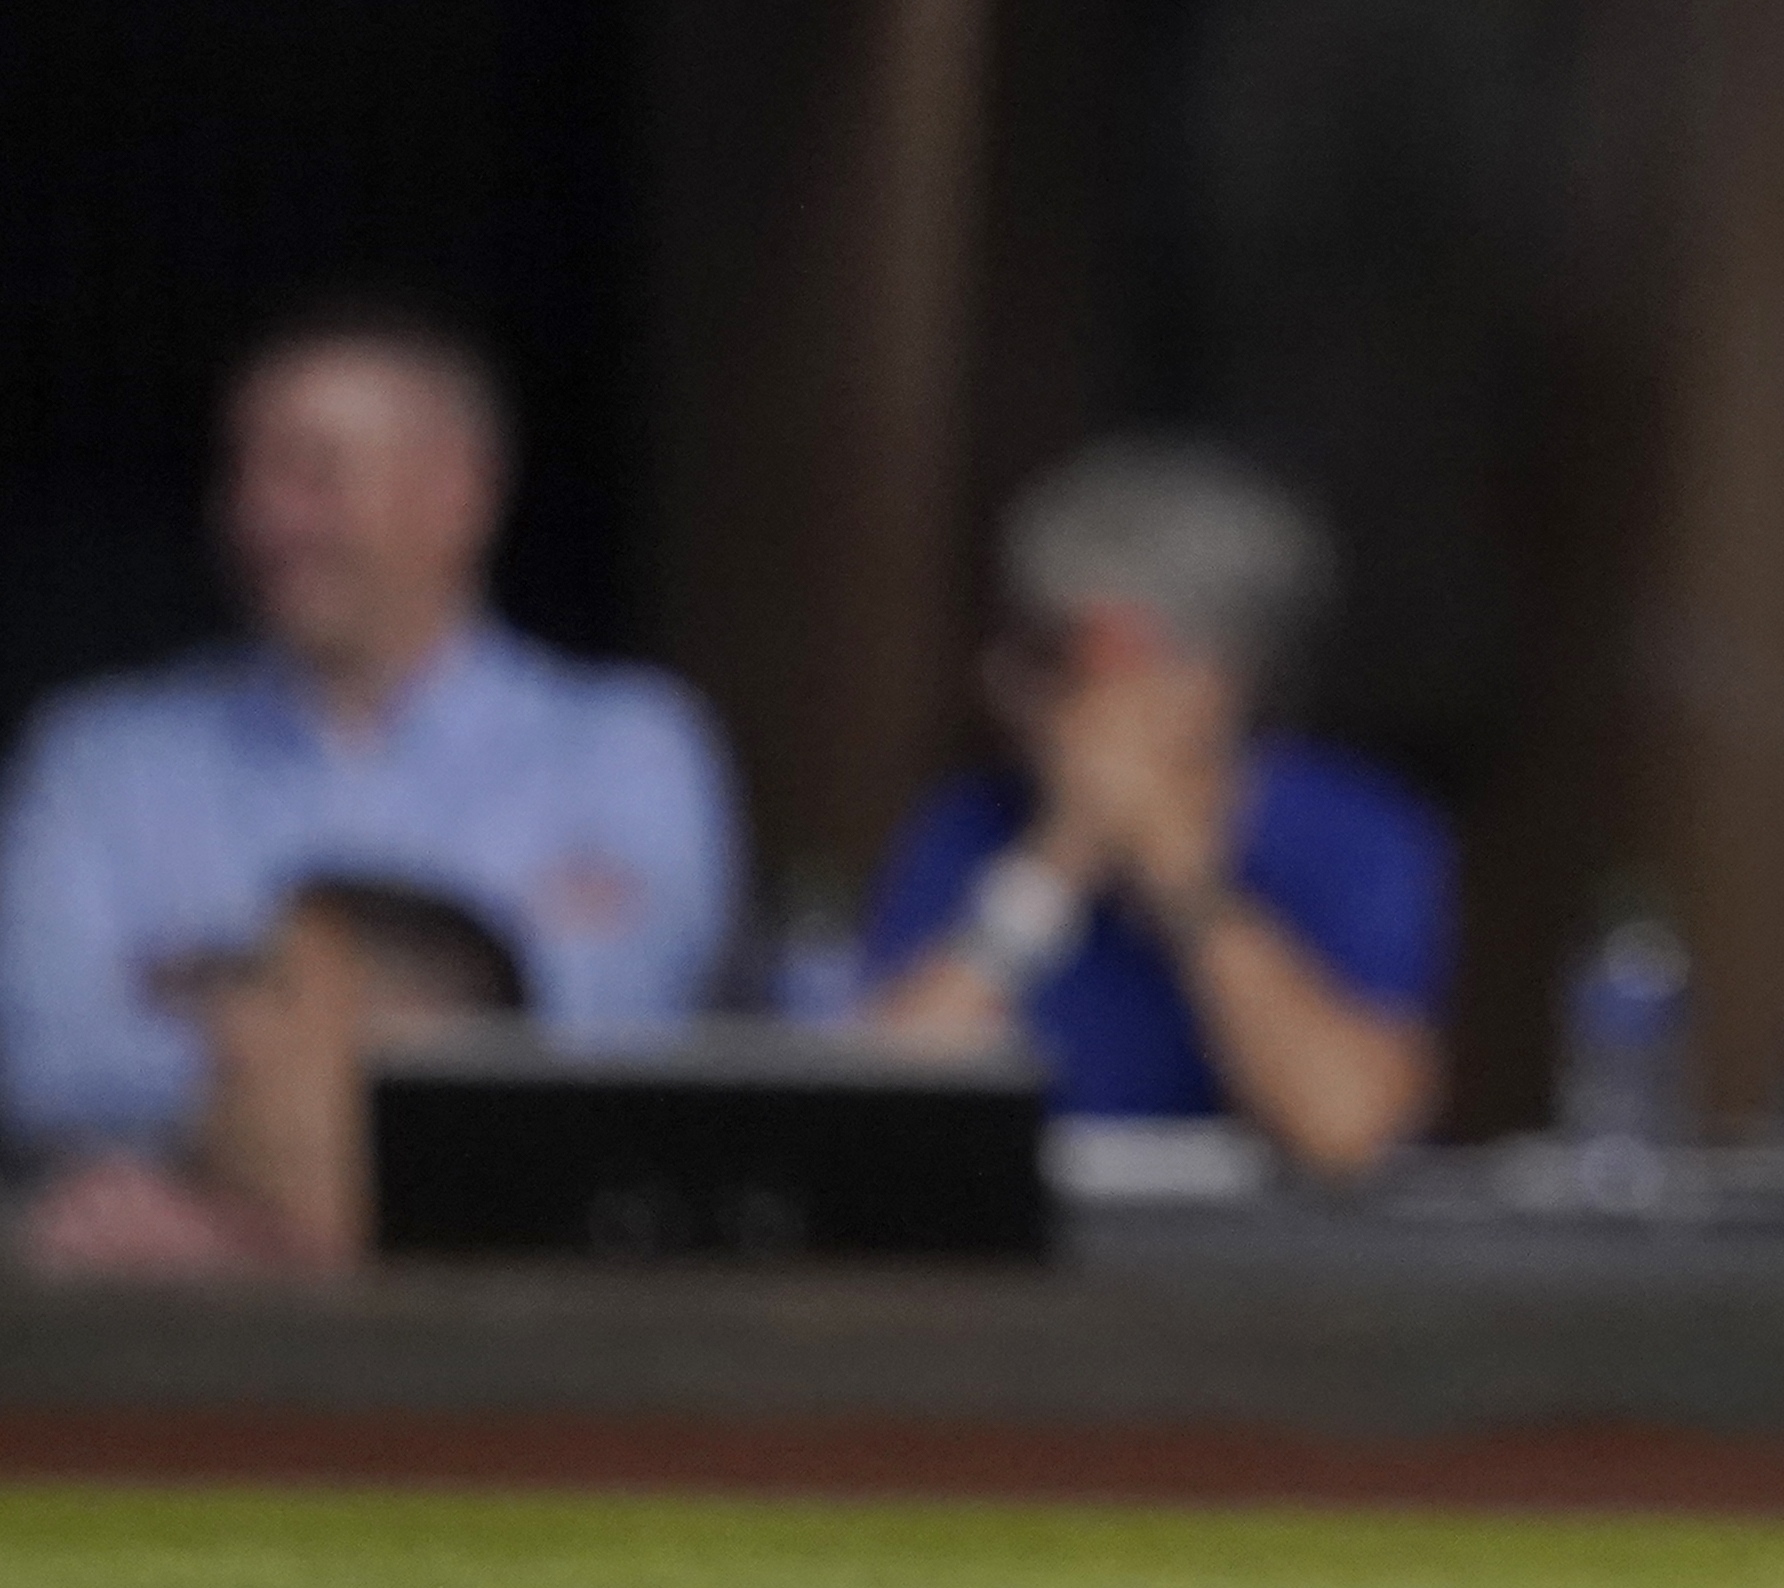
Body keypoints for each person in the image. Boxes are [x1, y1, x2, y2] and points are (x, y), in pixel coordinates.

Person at [0, 300, 734, 1150]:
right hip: (172, 1269)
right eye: (244, 473)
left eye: (314, 475)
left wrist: (222, 1006)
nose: (267, 519)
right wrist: (401, 1042)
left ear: (458, 493)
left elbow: (609, 1041)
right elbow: (42, 1060)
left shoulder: (629, 747)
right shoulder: (101, 757)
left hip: (506, 1268)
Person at [862, 438, 1448, 1181]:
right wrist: (1054, 865)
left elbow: (1343, 1127)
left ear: (1206, 680)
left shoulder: (1354, 833)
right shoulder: (975, 822)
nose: (1003, 681)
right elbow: (876, 1106)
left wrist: (1179, 873)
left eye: (1054, 655)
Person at [18, 874, 529, 1281]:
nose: (221, 1017)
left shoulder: (542, 1281)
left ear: (415, 1047)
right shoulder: (116, 1246)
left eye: (276, 988)